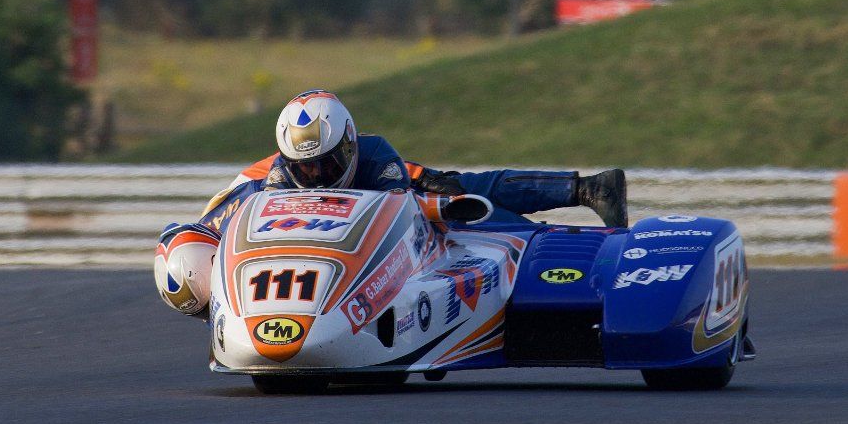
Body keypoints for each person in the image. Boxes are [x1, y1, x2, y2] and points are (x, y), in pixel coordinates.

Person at [156, 90, 627, 314]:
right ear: (287, 160)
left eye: (325, 162)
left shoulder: (374, 156)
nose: (316, 175)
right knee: (188, 262)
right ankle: (584, 190)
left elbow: (398, 220)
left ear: (347, 146)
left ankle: (567, 216)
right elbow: (203, 230)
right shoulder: (268, 182)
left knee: (455, 195)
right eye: (306, 168)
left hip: (385, 198)